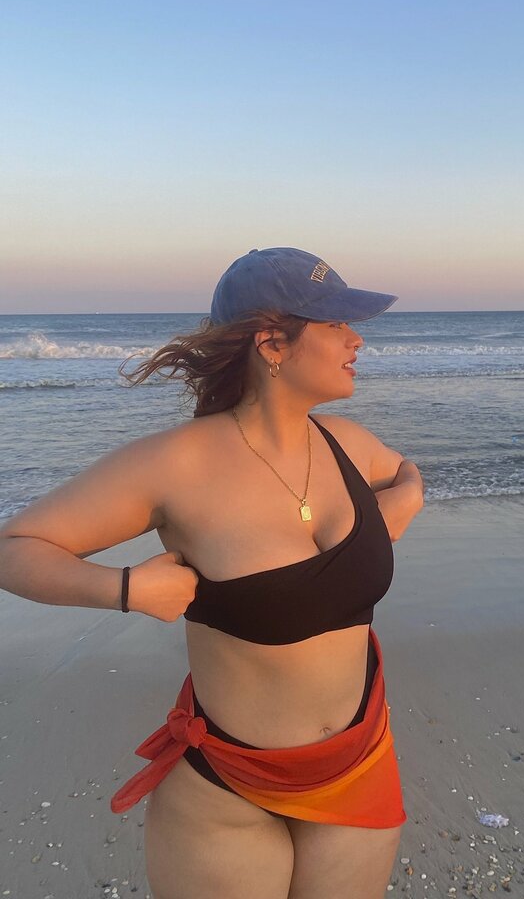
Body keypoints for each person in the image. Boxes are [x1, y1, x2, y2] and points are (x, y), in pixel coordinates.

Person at [0, 247, 424, 899]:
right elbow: (15, 546)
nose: (356, 338)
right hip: (229, 792)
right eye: (336, 322)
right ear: (271, 343)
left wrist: (403, 501)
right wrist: (124, 588)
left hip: (358, 764)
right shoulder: (179, 465)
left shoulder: (348, 443)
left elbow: (407, 472)